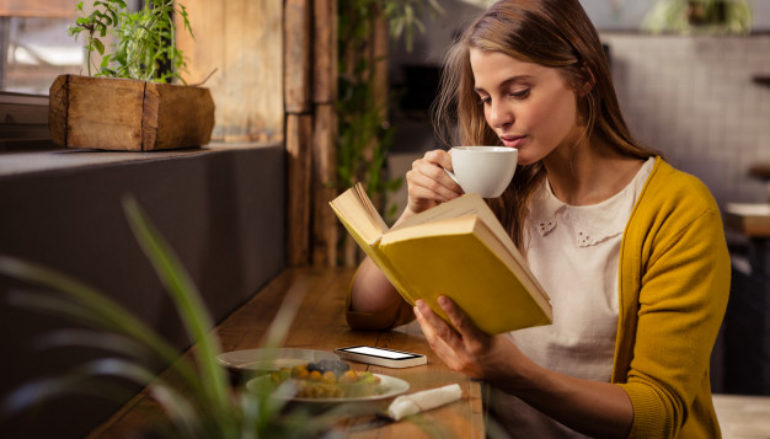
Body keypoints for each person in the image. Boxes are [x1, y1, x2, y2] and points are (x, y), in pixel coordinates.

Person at [346, 0, 730, 438]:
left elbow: (656, 413)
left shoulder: (678, 210)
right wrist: (414, 213)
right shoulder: (500, 194)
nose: (496, 118)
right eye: (485, 97)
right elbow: (368, 311)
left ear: (583, 76)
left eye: (518, 91)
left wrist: (515, 373)